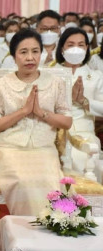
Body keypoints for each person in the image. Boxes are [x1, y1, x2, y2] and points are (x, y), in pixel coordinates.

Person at [0, 29, 72, 215]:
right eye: (23, 52)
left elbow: (66, 122)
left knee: (51, 184)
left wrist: (41, 113)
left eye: (35, 51)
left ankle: (52, 231)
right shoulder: (0, 85)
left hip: (44, 149)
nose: (30, 57)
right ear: (14, 56)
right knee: (23, 182)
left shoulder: (55, 83)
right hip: (10, 149)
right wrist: (23, 112)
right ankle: (27, 235)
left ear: (41, 53)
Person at [55, 27, 103, 176]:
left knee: (84, 158)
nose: (76, 49)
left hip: (85, 133)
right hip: (53, 132)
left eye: (81, 45)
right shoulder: (50, 74)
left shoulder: (96, 76)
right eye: (70, 45)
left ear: (87, 48)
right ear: (62, 47)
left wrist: (83, 101)